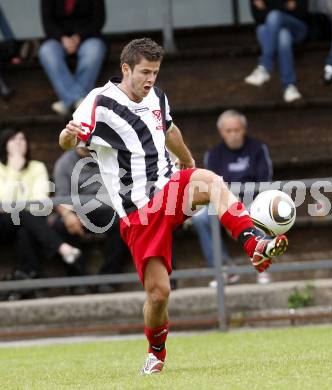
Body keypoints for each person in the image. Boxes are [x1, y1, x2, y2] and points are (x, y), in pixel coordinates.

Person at [58, 38, 288, 374]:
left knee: (209, 181)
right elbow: (70, 141)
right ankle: (156, 352)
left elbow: (168, 128)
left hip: (168, 189)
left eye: (155, 72)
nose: (150, 78)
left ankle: (254, 243)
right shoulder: (100, 102)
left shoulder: (157, 96)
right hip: (138, 212)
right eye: (144, 72)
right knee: (159, 294)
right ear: (126, 69)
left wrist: (187, 159)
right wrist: (68, 134)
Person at [192, 110, 273, 286]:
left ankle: (263, 266)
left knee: (267, 212)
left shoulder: (258, 148)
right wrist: (229, 214)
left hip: (254, 201)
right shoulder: (213, 155)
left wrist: (244, 210)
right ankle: (225, 270)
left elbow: (265, 182)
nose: (233, 134)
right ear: (222, 132)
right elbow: (212, 189)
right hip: (224, 204)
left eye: (237, 130)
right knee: (200, 218)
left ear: (244, 129)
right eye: (229, 131)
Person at [0, 128, 81, 299]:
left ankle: (35, 279)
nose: (18, 143)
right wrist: (15, 169)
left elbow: (40, 203)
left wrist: (17, 205)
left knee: (25, 230)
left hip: (30, 221)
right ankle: (62, 248)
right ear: (4, 144)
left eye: (22, 139)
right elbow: (4, 203)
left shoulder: (37, 167)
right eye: (13, 140)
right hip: (4, 224)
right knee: (23, 215)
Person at [52, 147, 131, 291]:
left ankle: (108, 279)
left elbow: (122, 187)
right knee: (60, 227)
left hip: (106, 209)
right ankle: (78, 282)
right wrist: (67, 215)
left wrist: (119, 205)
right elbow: (60, 197)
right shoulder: (64, 162)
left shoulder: (108, 157)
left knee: (124, 224)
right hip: (77, 211)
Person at [38, 0, 107, 116]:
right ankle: (79, 100)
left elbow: (98, 20)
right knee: (46, 51)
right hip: (58, 39)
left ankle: (68, 101)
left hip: (88, 37)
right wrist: (62, 38)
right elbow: (48, 23)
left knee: (94, 51)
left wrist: (78, 37)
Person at [245, 0, 309, 103]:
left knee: (274, 16)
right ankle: (289, 86)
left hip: (297, 28)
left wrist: (267, 7)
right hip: (272, 30)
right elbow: (258, 17)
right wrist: (285, 6)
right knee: (282, 35)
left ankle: (265, 66)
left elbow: (300, 12)